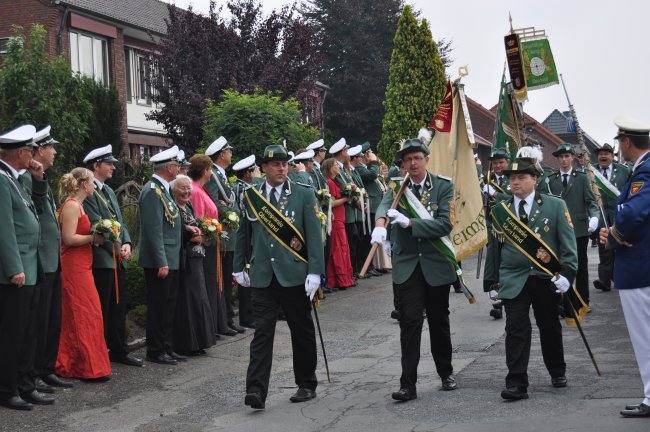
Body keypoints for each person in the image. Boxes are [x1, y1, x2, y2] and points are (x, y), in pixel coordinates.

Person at [233, 144, 325, 410]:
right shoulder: (252, 196)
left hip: (294, 275)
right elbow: (243, 233)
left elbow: (314, 236)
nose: (282, 168)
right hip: (263, 275)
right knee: (262, 333)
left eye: (285, 164)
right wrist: (238, 267)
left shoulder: (303, 194)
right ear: (264, 168)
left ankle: (306, 383)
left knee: (301, 329)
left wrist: (315, 271)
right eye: (276, 164)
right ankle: (256, 390)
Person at [371, 138, 459, 401]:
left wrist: (409, 223)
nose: (413, 163)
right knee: (410, 322)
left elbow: (445, 224)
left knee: (438, 320)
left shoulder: (442, 186)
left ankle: (446, 372)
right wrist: (380, 225)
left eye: (417, 158)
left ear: (426, 160)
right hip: (408, 264)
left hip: (435, 263)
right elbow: (384, 206)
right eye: (408, 159)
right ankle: (407, 384)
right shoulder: (397, 186)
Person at [484, 156, 578, 400]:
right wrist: (491, 280)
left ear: (534, 179)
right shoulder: (500, 210)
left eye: (521, 177)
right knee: (516, 328)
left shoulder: (554, 206)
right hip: (513, 276)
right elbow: (494, 248)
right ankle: (516, 382)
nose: (515, 182)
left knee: (549, 325)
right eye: (512, 178)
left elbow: (568, 244)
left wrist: (568, 273)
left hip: (544, 276)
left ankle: (557, 370)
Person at [600, 118, 650, 417]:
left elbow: (634, 213)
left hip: (639, 266)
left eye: (620, 142)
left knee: (645, 337)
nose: (619, 147)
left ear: (627, 142)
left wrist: (614, 237)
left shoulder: (645, 171)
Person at [20, 126, 74, 398]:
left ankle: (46, 368)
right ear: (39, 150)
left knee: (52, 320)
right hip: (39, 262)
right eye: (51, 147)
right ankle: (34, 374)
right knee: (38, 323)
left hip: (51, 261)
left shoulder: (40, 177)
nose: (55, 152)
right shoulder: (25, 179)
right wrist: (37, 179)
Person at [83, 145, 142, 367]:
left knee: (118, 308)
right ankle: (101, 354)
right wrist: (116, 248)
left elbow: (120, 221)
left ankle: (119, 350)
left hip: (118, 259)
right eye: (109, 163)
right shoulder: (89, 192)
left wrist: (126, 243)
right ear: (96, 165)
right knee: (103, 310)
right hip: (103, 260)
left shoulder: (107, 190)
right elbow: (95, 224)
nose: (113, 167)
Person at [0, 125, 45, 410]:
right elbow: (4, 227)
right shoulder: (2, 179)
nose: (33, 156)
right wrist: (14, 267)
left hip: (31, 266)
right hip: (15, 272)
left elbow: (35, 208)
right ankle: (8, 389)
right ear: (20, 152)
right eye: (30, 150)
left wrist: (38, 178)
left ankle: (26, 384)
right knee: (12, 334)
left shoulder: (16, 179)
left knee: (28, 332)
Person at [56, 168, 112, 381]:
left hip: (83, 265)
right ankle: (84, 366)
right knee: (83, 312)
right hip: (74, 267)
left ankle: (86, 364)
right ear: (83, 184)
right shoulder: (71, 205)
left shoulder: (78, 205)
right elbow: (68, 238)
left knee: (87, 312)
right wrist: (93, 238)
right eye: (92, 181)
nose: (94, 185)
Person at [138, 146, 184, 365]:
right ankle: (155, 349)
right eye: (176, 165)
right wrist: (161, 261)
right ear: (169, 168)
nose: (179, 168)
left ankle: (166, 346)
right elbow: (153, 230)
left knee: (169, 306)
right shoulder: (152, 191)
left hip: (170, 257)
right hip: (161, 260)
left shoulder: (162, 189)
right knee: (159, 306)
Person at [543, 143, 599, 307]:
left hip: (579, 229)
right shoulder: (551, 179)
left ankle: (583, 301)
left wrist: (594, 217)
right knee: (560, 266)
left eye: (567, 156)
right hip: (558, 230)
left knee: (580, 266)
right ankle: (563, 302)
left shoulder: (582, 178)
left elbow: (591, 202)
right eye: (561, 157)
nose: (564, 159)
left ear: (573, 157)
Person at [170, 175, 217, 356]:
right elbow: (178, 232)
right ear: (174, 190)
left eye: (188, 188)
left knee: (200, 298)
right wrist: (197, 237)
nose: (187, 191)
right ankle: (187, 344)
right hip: (186, 258)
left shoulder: (188, 205)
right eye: (183, 188)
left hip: (197, 257)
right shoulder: (174, 208)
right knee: (189, 300)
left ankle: (200, 341)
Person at [187, 154, 233, 338]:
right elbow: (199, 219)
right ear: (204, 170)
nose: (212, 172)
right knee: (210, 283)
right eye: (210, 169)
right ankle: (211, 327)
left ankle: (216, 324)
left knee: (215, 283)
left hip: (212, 241)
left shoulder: (202, 189)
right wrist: (210, 233)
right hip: (205, 244)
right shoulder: (196, 191)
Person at [204, 136, 246, 334]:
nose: (231, 154)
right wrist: (228, 214)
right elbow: (212, 204)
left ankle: (228, 319)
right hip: (224, 235)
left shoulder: (220, 174)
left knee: (228, 280)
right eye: (229, 151)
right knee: (223, 281)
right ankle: (224, 321)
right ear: (222, 155)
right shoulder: (213, 175)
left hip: (230, 235)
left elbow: (226, 201)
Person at [591, 143, 631, 292]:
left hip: (619, 215)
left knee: (620, 247)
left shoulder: (624, 171)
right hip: (601, 215)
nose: (603, 156)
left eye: (606, 154)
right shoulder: (591, 171)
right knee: (604, 247)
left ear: (612, 156)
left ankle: (618, 276)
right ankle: (604, 280)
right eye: (600, 154)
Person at [231, 154, 260, 328]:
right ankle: (247, 316)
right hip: (246, 234)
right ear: (248, 173)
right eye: (255, 170)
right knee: (246, 272)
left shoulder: (243, 187)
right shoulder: (242, 189)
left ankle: (251, 314)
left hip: (249, 233)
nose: (258, 172)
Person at [322, 158, 355, 290]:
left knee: (343, 248)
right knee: (338, 249)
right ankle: (339, 279)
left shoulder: (336, 181)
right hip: (335, 219)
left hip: (340, 218)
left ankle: (346, 278)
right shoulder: (329, 182)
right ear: (330, 168)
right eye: (336, 165)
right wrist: (346, 198)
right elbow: (332, 202)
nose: (338, 167)